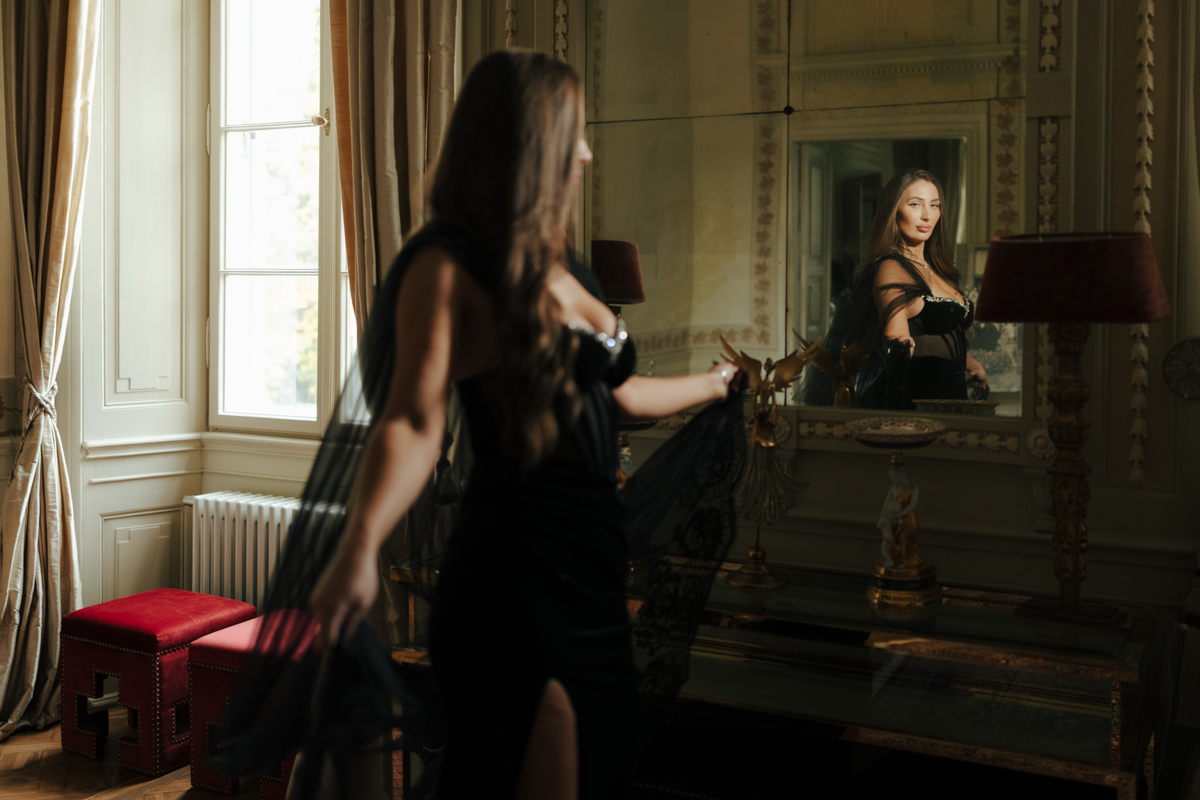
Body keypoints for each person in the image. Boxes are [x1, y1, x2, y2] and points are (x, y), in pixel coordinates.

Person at [215, 50, 747, 800]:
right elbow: (413, 421)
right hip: (513, 579)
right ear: (531, 142)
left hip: (593, 578)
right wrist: (360, 546)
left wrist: (715, 383)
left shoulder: (568, 268)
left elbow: (618, 399)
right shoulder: (447, 264)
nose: (587, 153)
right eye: (575, 134)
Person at [801, 168, 988, 408]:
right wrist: (897, 342)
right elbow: (895, 333)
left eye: (934, 205)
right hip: (918, 401)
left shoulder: (940, 269)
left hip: (953, 399)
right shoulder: (891, 266)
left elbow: (941, 339)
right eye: (915, 204)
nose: (926, 215)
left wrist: (971, 364)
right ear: (894, 210)